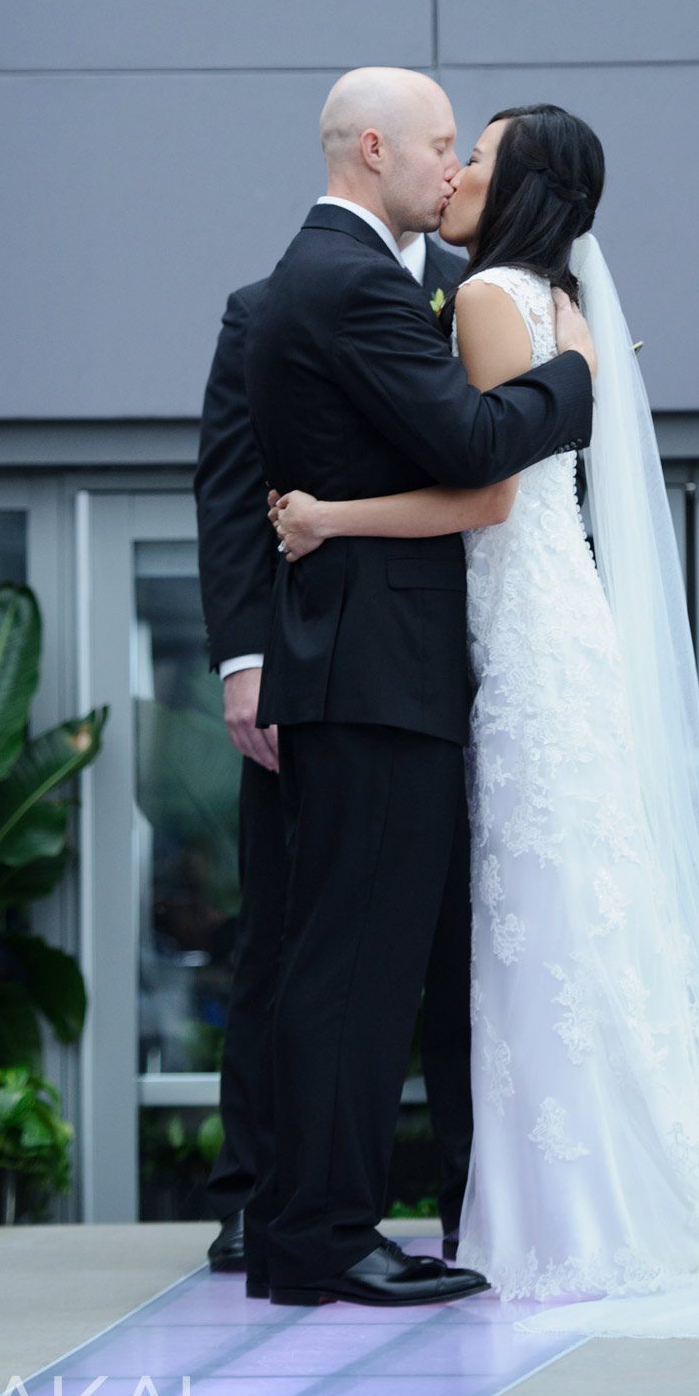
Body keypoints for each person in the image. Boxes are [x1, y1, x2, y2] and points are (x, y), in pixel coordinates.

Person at [269, 102, 699, 1339]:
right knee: (576, 921)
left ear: (521, 183)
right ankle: (597, 1195)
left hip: (517, 633)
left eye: (476, 154)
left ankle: (562, 1214)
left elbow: (483, 492)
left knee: (536, 921)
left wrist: (332, 515)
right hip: (557, 628)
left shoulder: (489, 298)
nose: (458, 171)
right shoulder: (569, 313)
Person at [241, 67, 595, 1309]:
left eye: (469, 152)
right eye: (440, 145)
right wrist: (577, 377)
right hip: (374, 670)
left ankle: (311, 1225)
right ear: (374, 147)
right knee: (354, 964)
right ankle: (320, 1233)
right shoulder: (345, 279)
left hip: (378, 665)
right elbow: (477, 446)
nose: (451, 169)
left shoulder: (346, 274)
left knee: (360, 958)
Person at [192, 203, 468, 1272]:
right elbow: (228, 491)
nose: (449, 169)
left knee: (465, 948)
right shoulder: (265, 306)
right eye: (435, 143)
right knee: (289, 929)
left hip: (469, 659)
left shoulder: (481, 294)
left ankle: (473, 1201)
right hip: (323, 666)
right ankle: (260, 1197)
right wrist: (245, 659)